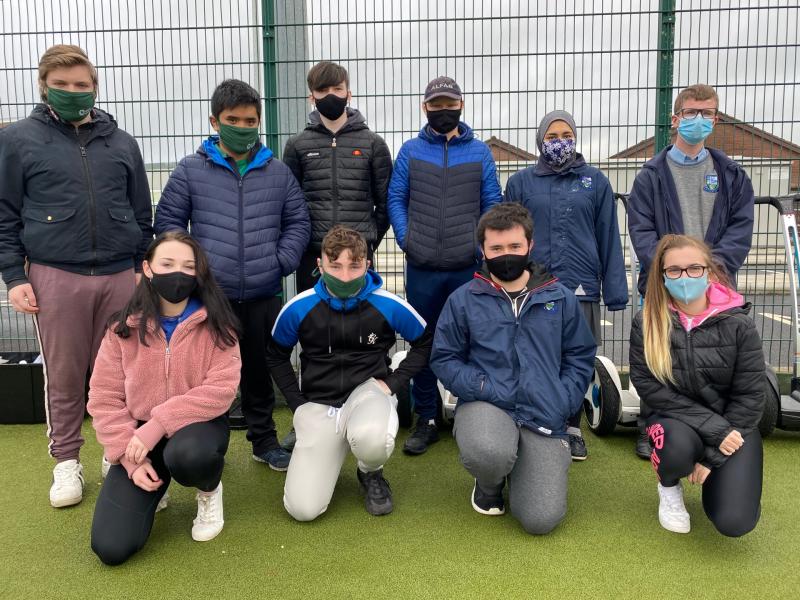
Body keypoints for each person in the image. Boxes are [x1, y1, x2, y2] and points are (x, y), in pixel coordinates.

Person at [0, 44, 153, 507]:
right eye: (62, 85)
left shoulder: (122, 142)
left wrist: (142, 268)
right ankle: (66, 462)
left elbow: (142, 214)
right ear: (44, 86)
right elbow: (5, 214)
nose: (72, 92)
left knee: (128, 372)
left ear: (95, 87)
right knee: (65, 375)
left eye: (81, 85)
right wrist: (13, 275)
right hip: (54, 275)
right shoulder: (18, 140)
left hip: (120, 275)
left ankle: (117, 451)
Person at [154, 79, 310, 471]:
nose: (242, 127)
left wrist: (280, 261)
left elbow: (298, 222)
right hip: (209, 297)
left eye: (250, 120)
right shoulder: (190, 170)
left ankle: (264, 441)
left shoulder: (277, 172)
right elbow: (169, 223)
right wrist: (194, 270)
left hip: (263, 292)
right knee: (205, 377)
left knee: (259, 372)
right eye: (233, 119)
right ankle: (204, 445)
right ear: (214, 121)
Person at [430, 203, 596, 534]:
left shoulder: (560, 298)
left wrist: (563, 398)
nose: (506, 254)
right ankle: (489, 484)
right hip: (487, 401)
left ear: (530, 246)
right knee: (489, 451)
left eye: (515, 247)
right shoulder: (463, 299)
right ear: (483, 250)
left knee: (541, 520)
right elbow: (444, 358)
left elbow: (580, 354)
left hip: (544, 409)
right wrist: (481, 387)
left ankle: (525, 463)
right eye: (497, 248)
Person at [88, 232, 241, 564]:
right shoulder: (121, 329)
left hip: (199, 428)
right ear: (147, 268)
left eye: (189, 266)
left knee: (188, 454)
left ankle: (210, 491)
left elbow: (222, 389)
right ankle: (158, 486)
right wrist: (127, 457)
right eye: (167, 264)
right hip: (139, 439)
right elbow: (104, 397)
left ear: (199, 273)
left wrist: (158, 424)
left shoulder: (219, 326)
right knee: (111, 547)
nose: (179, 273)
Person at [266, 226, 432, 520]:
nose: (345, 276)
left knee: (371, 440)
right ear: (320, 265)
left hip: (368, 392)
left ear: (367, 264)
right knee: (303, 509)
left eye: (354, 266)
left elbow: (426, 342)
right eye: (335, 266)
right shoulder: (298, 307)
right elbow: (275, 355)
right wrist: (297, 403)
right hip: (319, 402)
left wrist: (393, 383)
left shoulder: (387, 302)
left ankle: (370, 471)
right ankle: (333, 445)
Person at [627, 83, 755, 458]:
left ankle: (715, 426)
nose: (698, 120)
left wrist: (709, 272)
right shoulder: (650, 175)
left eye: (706, 113)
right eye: (691, 113)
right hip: (663, 282)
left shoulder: (731, 175)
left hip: (713, 285)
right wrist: (671, 270)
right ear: (676, 118)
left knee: (711, 357)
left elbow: (740, 228)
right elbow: (642, 229)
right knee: (659, 357)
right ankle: (652, 425)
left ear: (715, 119)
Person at [388, 76, 502, 455]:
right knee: (423, 342)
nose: (442, 110)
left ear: (461, 105)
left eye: (448, 103)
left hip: (466, 268)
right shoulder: (410, 151)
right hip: (421, 267)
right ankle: (428, 417)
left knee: (471, 342)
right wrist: (408, 240)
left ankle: (471, 412)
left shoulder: (480, 153)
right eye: (435, 105)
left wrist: (479, 248)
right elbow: (396, 199)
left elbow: (492, 204)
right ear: (425, 108)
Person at [504, 110, 628, 461]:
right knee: (533, 355)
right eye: (553, 135)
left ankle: (572, 428)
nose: (560, 141)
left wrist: (615, 290)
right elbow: (508, 237)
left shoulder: (596, 182)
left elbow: (608, 237)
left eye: (566, 135)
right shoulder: (520, 183)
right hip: (533, 287)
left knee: (577, 359)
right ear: (540, 140)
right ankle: (532, 420)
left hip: (582, 287)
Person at [629, 234, 764, 536]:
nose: (685, 277)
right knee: (675, 451)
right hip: (676, 421)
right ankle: (669, 487)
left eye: (693, 268)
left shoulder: (739, 323)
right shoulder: (646, 321)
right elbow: (648, 386)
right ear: (662, 277)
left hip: (733, 426)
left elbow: (751, 396)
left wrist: (713, 457)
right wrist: (715, 430)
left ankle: (733, 486)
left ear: (709, 271)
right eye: (674, 271)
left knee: (734, 521)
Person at [283, 61, 392, 292]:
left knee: (362, 322)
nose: (330, 95)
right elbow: (291, 204)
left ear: (348, 94)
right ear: (311, 97)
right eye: (322, 90)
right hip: (313, 255)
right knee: (314, 323)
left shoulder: (374, 144)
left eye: (337, 89)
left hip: (359, 255)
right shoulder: (297, 145)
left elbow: (385, 203)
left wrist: (367, 239)